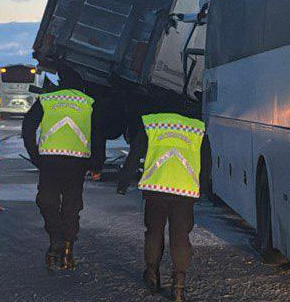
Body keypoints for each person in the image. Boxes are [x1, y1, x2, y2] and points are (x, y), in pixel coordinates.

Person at [117, 103, 211, 302]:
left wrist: (123, 183)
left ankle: (152, 274)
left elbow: (135, 154)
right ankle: (178, 284)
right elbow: (206, 163)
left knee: (154, 232)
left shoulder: (152, 124)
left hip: (156, 189)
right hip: (184, 191)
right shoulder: (197, 129)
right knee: (180, 236)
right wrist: (202, 190)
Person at [22, 68, 105, 271]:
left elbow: (28, 127)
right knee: (72, 206)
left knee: (46, 201)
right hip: (77, 163)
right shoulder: (89, 102)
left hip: (49, 161)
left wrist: (35, 155)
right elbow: (98, 135)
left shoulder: (47, 99)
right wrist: (96, 164)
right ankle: (67, 246)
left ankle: (56, 241)